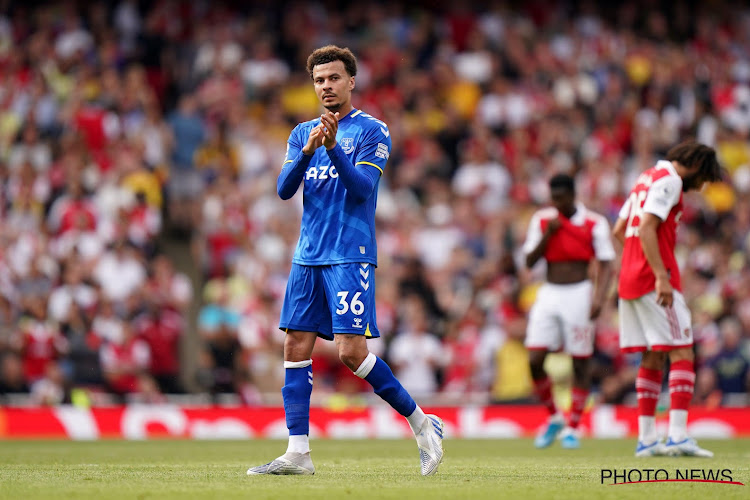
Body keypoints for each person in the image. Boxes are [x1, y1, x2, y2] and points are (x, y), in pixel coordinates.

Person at [246, 45, 444, 476]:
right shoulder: (301, 133)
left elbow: (360, 189)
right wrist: (308, 151)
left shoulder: (374, 131)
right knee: (295, 345)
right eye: (319, 80)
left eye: (334, 78)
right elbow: (283, 190)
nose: (326, 87)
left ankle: (422, 423)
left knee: (351, 353)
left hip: (349, 255)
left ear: (351, 81)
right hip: (307, 255)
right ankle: (298, 452)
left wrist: (333, 148)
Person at [612, 141, 722, 457]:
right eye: (703, 179)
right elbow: (646, 228)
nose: (700, 187)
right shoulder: (671, 180)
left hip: (631, 279)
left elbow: (620, 228)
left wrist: (635, 261)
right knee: (682, 349)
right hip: (653, 280)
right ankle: (677, 435)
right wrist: (660, 274)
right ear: (697, 167)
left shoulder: (645, 176)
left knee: (652, 354)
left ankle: (647, 439)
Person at [522, 173, 615, 449]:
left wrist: (599, 298)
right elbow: (529, 261)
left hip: (579, 292)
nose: (557, 204)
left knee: (580, 360)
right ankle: (554, 417)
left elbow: (607, 263)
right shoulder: (542, 221)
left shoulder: (594, 223)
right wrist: (548, 235)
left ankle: (573, 426)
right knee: (535, 358)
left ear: (573, 195)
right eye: (553, 199)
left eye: (561, 198)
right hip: (550, 291)